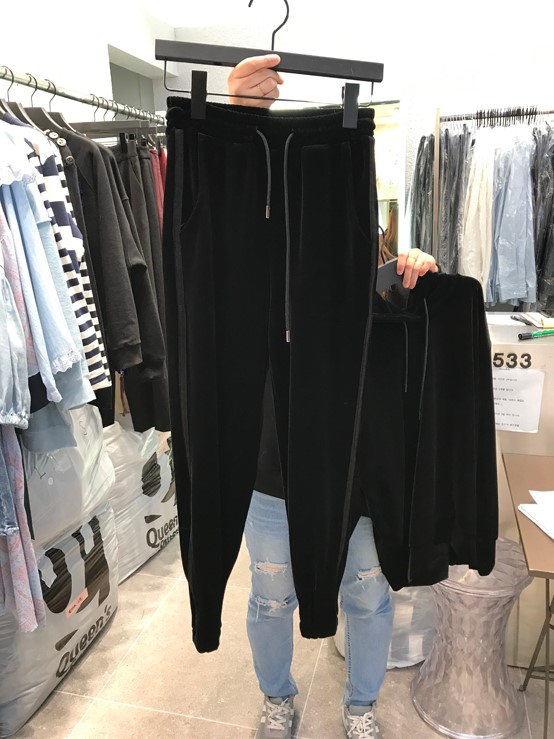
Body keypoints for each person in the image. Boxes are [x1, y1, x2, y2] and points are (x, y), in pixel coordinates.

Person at [227, 55, 438, 739]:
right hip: (272, 467)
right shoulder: (258, 270)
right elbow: (226, 232)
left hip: (357, 468)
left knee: (367, 595)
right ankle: (278, 698)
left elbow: (417, 325)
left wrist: (418, 277)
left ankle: (360, 706)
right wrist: (238, 126)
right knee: (271, 593)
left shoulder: (376, 281)